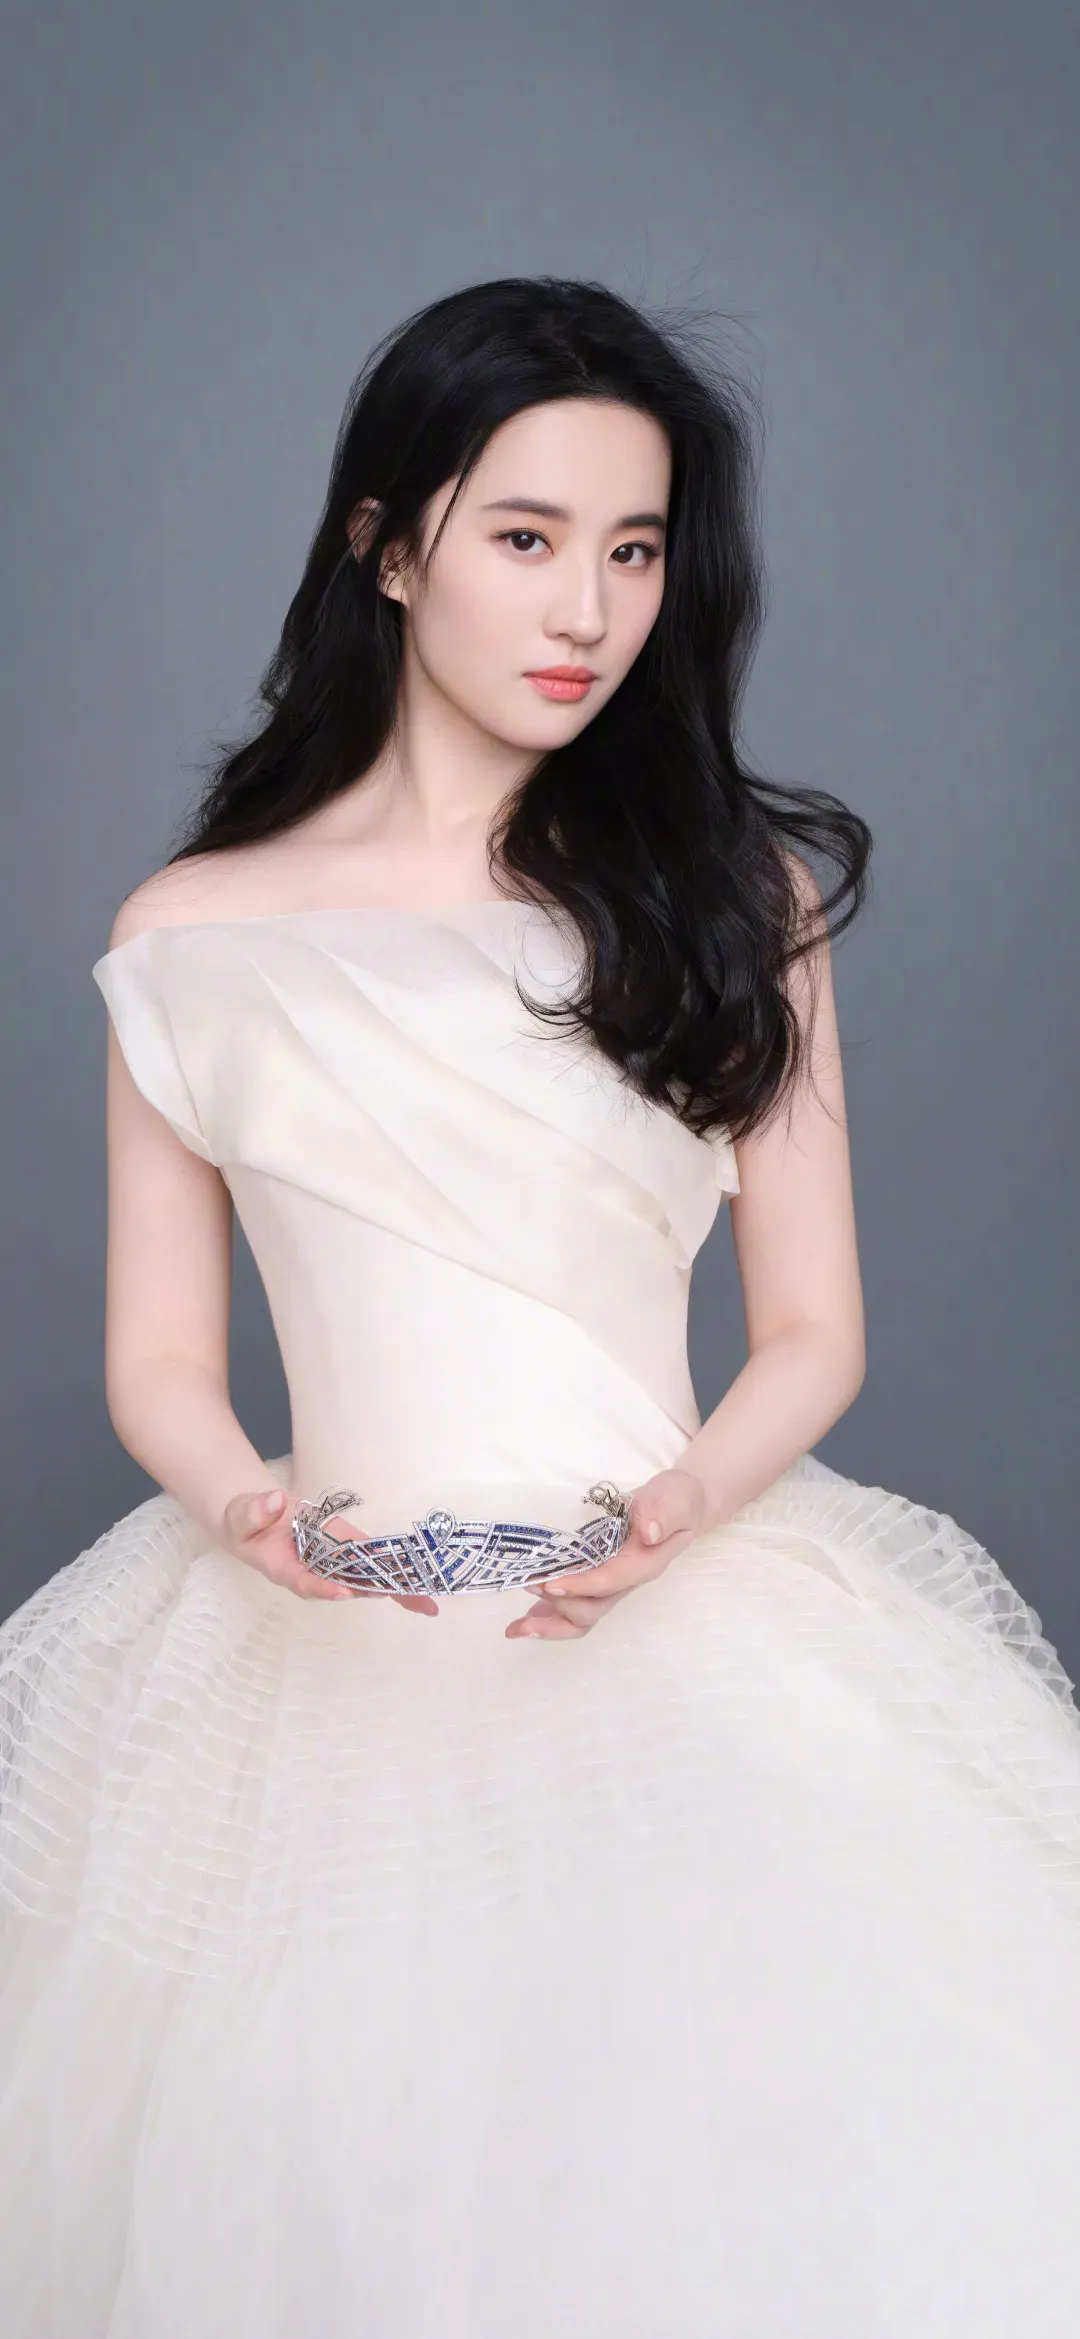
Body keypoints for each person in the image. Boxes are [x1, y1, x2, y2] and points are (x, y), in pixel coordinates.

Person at [2, 273, 1079, 2339]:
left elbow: (815, 1329)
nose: (589, 607)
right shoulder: (193, 932)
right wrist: (246, 1505)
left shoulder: (731, 897)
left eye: (636, 549)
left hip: (681, 1613)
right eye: (526, 536)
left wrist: (681, 1506)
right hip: (319, 1643)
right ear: (389, 547)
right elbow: (155, 1357)